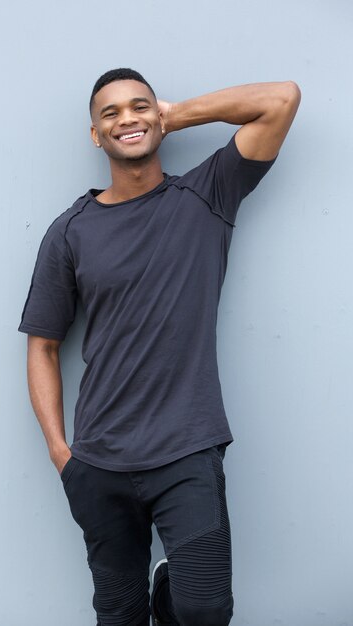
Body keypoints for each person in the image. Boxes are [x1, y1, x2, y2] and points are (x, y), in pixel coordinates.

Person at [18, 68, 301, 626]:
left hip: (188, 450)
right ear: (94, 135)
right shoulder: (70, 231)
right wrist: (61, 453)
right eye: (111, 113)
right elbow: (43, 346)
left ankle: (170, 586)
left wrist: (173, 115)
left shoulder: (206, 194)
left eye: (139, 107)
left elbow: (280, 99)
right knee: (118, 614)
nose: (127, 119)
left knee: (205, 609)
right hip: (98, 460)